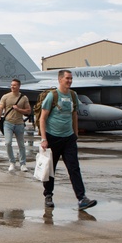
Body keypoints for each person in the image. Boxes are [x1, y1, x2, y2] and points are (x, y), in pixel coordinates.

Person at [38, 70, 97, 211]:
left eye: (71, 78)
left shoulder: (73, 95)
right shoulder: (52, 96)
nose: (69, 81)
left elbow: (74, 115)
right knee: (50, 169)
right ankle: (48, 195)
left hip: (68, 138)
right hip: (52, 137)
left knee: (74, 168)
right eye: (67, 78)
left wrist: (75, 134)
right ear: (60, 79)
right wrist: (43, 139)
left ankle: (82, 198)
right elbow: (42, 118)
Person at [0, 79, 31, 171]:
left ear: (19, 86)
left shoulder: (24, 98)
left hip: (19, 123)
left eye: (14, 85)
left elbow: (28, 111)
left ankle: (23, 164)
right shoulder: (5, 97)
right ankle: (12, 162)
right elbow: (0, 109)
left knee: (21, 145)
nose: (12, 87)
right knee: (8, 143)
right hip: (8, 123)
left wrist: (19, 109)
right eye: (11, 85)